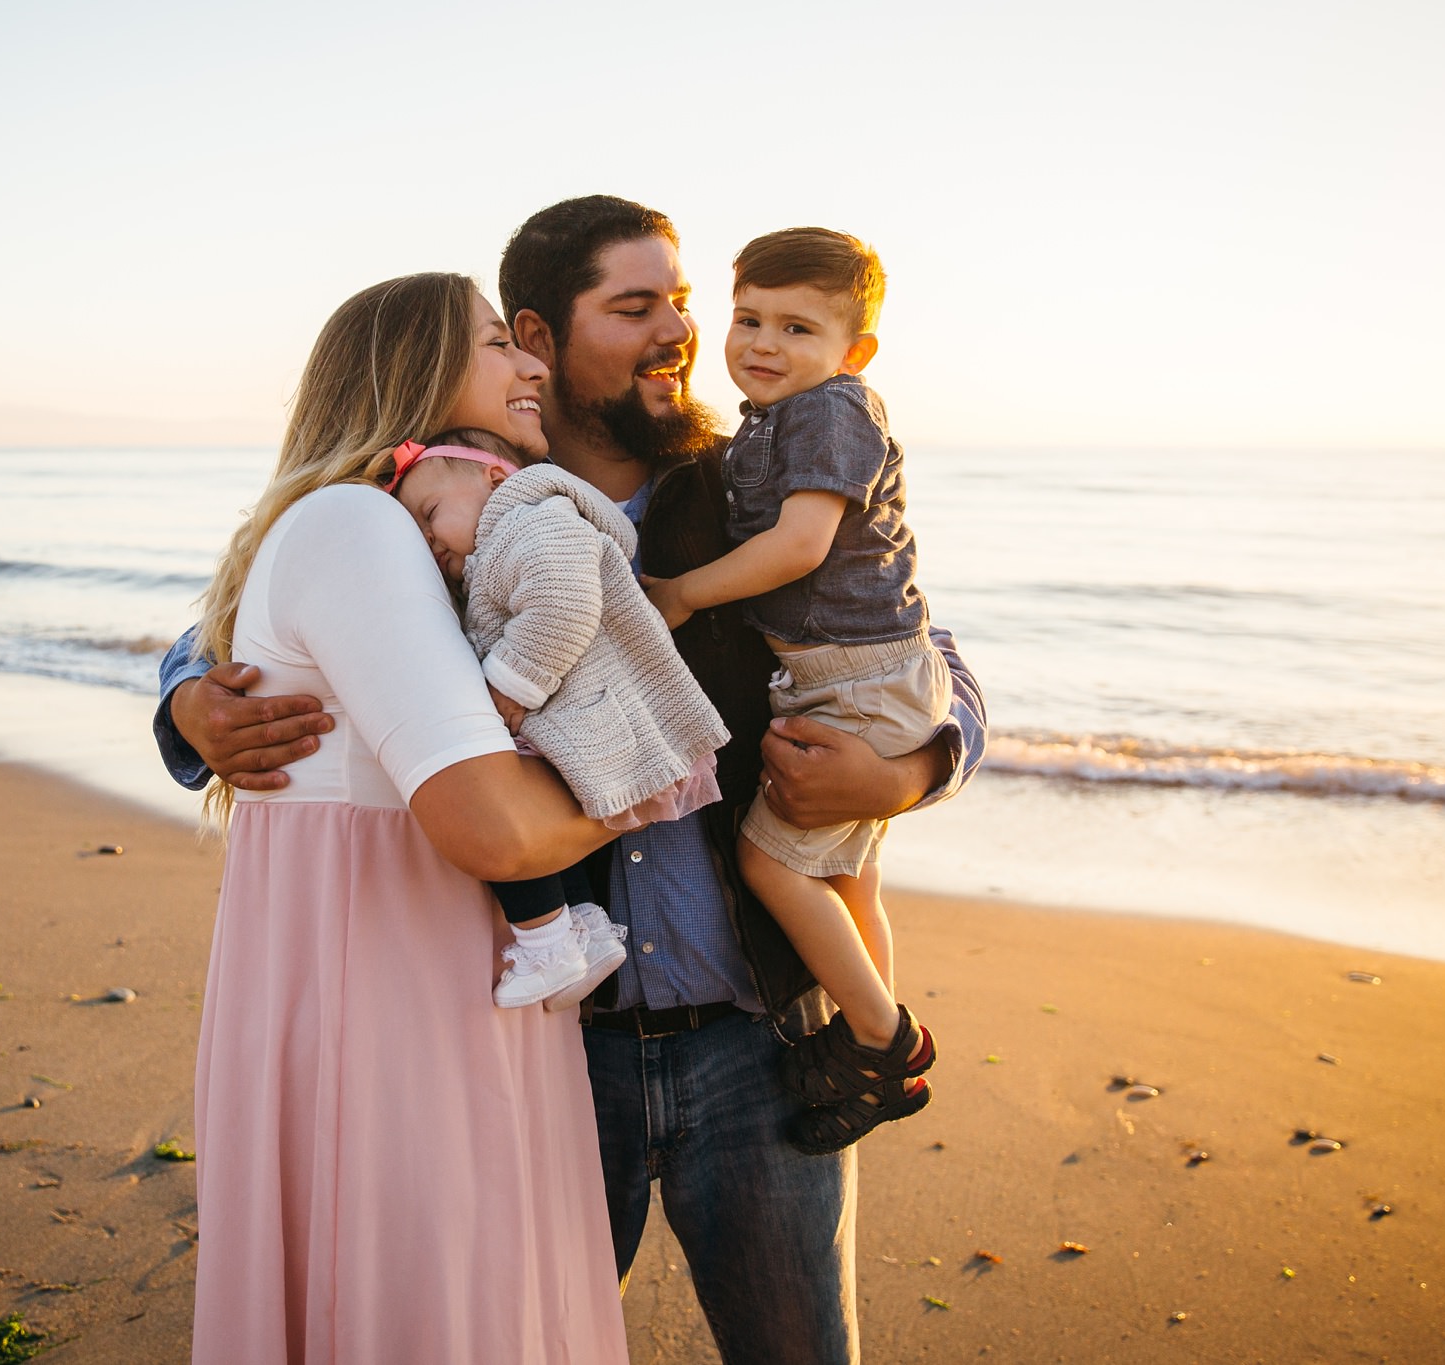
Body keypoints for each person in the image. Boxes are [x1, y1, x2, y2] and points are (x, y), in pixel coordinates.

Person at [158, 198, 987, 1365]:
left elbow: (918, 649)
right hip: (550, 1046)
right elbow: (285, 597)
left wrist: (908, 768)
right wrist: (190, 694)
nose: (682, 334)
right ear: (538, 339)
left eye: (685, 304)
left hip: (754, 1044)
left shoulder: (750, 491)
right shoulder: (448, 504)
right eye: (637, 308)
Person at [181, 271, 629, 1365]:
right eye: (494, 344)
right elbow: (494, 831)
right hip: (397, 1005)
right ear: (410, 373)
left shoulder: (390, 522)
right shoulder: (359, 526)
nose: (531, 367)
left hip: (417, 983)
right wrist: (647, 784)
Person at [641, 227, 946, 1155]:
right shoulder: (777, 419)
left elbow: (804, 544)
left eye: (797, 328)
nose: (763, 343)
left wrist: (685, 592)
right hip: (854, 672)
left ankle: (884, 1043)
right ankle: (867, 1045)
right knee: (851, 873)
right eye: (748, 319)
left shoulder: (832, 411)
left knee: (774, 862)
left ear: (854, 352)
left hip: (855, 675)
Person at [388, 428, 730, 1010]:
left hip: (596, 717)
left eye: (430, 513)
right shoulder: (501, 538)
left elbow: (563, 600)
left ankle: (547, 943)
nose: (426, 538)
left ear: (494, 478)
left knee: (491, 800)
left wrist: (506, 687)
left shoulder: (530, 518)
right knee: (523, 815)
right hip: (582, 716)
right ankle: (583, 929)